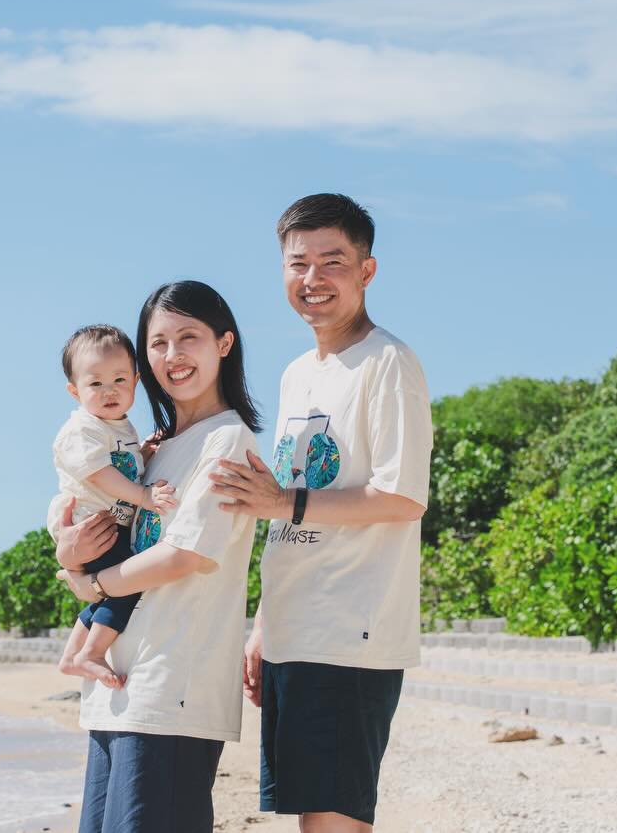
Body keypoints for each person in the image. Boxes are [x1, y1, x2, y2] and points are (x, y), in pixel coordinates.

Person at [209, 193, 433, 832]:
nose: (313, 280)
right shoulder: (297, 374)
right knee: (310, 815)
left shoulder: (388, 363)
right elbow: (287, 515)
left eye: (332, 262)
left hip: (350, 632)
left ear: (367, 271)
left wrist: (285, 500)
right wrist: (263, 623)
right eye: (297, 263)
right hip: (294, 628)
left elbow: (402, 496)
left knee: (333, 821)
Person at [53, 280, 262, 833]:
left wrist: (92, 586)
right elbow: (96, 523)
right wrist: (71, 560)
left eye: (187, 337)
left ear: (223, 343)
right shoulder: (153, 448)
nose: (172, 356)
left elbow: (183, 556)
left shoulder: (228, 440)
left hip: (173, 689)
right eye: (158, 342)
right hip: (116, 686)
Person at [50, 324, 178, 689]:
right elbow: (100, 474)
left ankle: (72, 656)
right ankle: (90, 653)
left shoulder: (119, 426)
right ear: (75, 391)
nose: (109, 391)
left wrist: (144, 454)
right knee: (125, 585)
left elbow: (122, 464)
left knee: (111, 587)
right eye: (95, 384)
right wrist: (144, 496)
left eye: (119, 380)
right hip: (91, 526)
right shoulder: (82, 429)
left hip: (108, 525)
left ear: (136, 380)